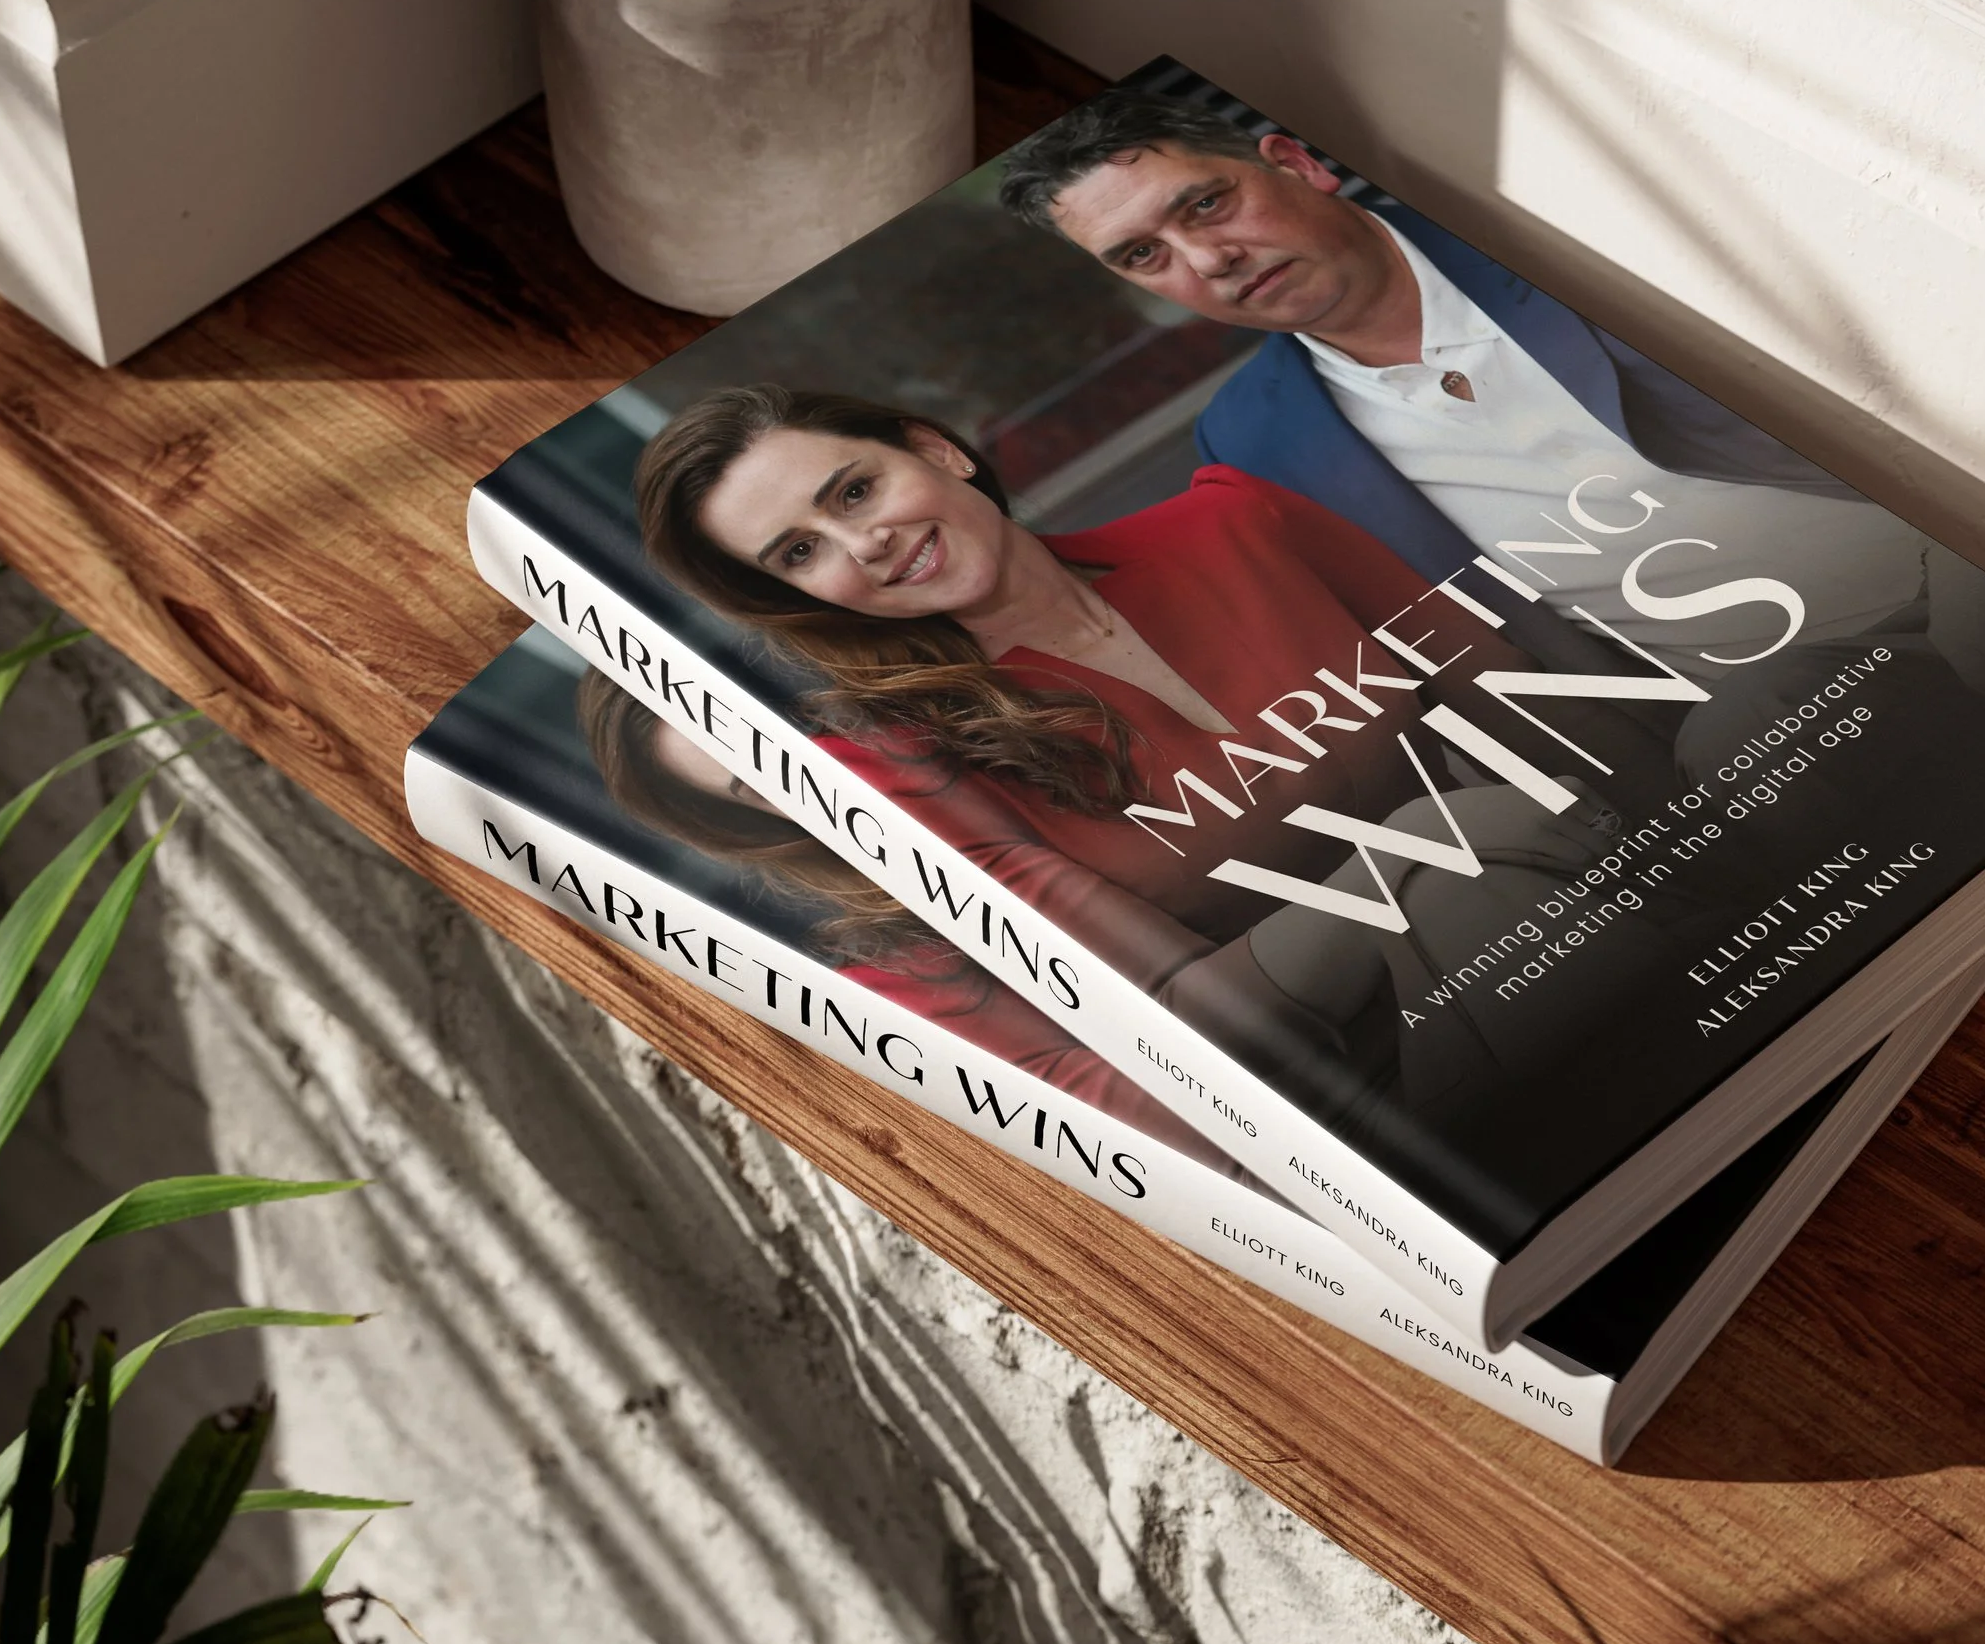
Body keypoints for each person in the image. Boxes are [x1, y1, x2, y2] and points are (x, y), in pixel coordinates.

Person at [632, 384, 1645, 1130]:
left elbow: (1521, 705)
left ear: (935, 449)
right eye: (801, 552)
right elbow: (1173, 1025)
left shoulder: (1234, 517)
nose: (861, 545)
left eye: (854, 491)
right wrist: (1421, 846)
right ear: (799, 597)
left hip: (1571, 901)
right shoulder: (908, 772)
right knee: (1473, 883)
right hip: (1381, 1087)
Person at [997, 89, 1947, 687]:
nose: (1209, 259)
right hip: (1761, 707)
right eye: (1144, 255)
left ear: (1297, 164)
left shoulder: (1537, 222)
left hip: (1947, 568)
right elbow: (1457, 658)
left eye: (1208, 203)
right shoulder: (1252, 445)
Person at [577, 668, 1242, 1171]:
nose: (818, 784)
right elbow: (1202, 1130)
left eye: (785, 746)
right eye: (762, 785)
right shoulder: (905, 980)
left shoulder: (1065, 702)